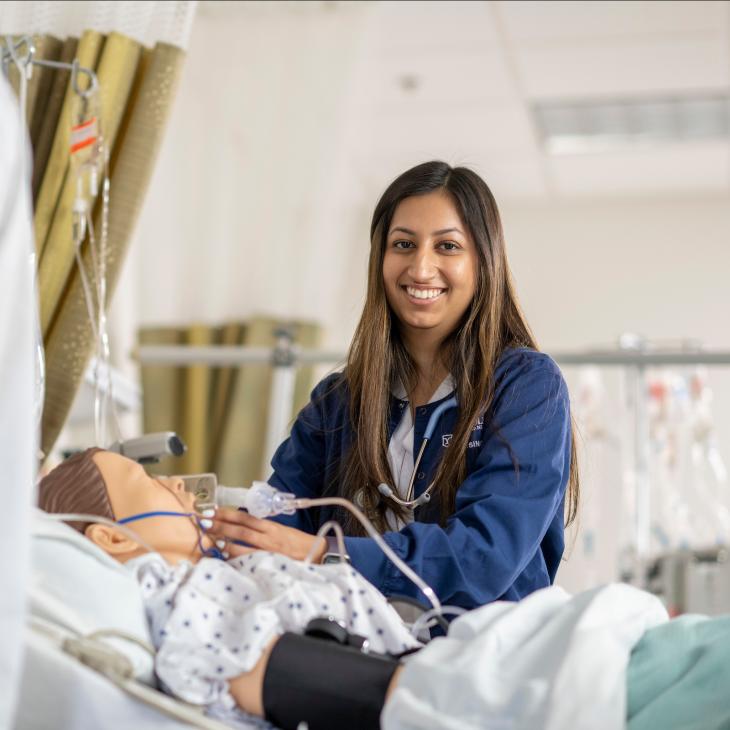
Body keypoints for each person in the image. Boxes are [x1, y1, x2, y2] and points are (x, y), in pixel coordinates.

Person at [39, 450, 730, 730]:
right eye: (153, 485)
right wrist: (422, 701)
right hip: (456, 683)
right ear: (113, 537)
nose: (179, 489)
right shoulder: (172, 586)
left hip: (488, 651)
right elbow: (251, 663)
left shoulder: (238, 565)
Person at [209, 160, 579, 610]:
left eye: (447, 246)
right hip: (359, 644)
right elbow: (277, 522)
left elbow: (485, 556)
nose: (421, 268)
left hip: (484, 651)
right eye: (403, 244)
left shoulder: (524, 387)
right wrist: (206, 524)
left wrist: (324, 554)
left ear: (484, 261)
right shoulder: (338, 403)